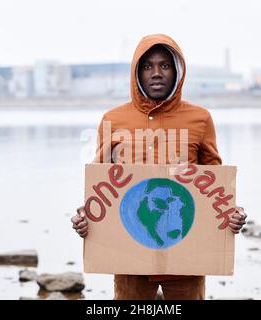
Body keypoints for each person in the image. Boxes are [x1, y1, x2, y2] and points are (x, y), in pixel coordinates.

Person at [71, 34, 247, 300]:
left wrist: (232, 213)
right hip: (129, 258)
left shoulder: (200, 119)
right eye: (147, 66)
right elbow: (101, 185)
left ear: (177, 71)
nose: (156, 73)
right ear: (136, 73)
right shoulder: (113, 119)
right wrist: (87, 217)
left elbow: (217, 183)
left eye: (164, 65)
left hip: (187, 256)